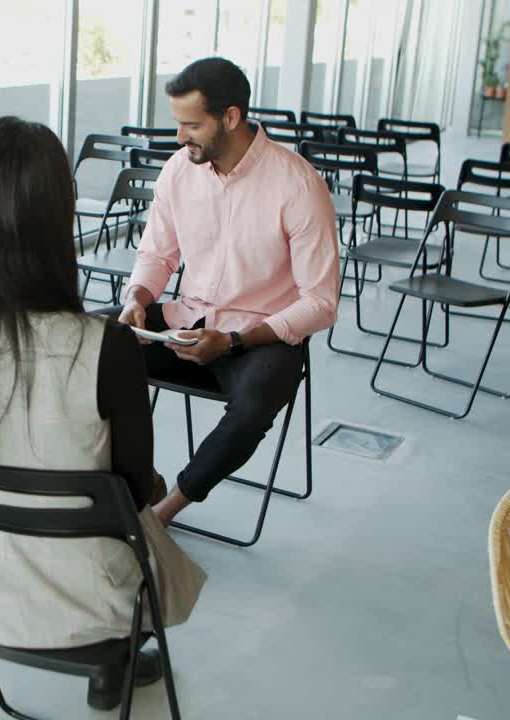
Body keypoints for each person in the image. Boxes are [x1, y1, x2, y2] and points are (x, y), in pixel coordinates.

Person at [0, 116, 206, 711]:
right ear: (55, 225)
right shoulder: (102, 347)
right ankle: (116, 655)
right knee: (147, 533)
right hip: (90, 600)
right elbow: (136, 488)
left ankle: (115, 653)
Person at [114, 57, 339, 525]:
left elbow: (320, 302)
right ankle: (141, 481)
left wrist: (235, 340)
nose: (179, 138)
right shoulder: (179, 170)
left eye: (191, 125)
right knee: (88, 349)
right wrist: (138, 298)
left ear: (231, 117)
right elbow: (158, 255)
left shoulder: (298, 185)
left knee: (254, 407)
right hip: (187, 323)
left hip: (261, 338)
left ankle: (165, 511)